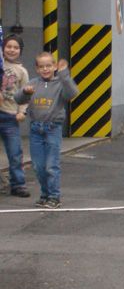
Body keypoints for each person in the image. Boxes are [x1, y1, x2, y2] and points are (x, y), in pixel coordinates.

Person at [14, 53, 79, 208]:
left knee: (51, 165)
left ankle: (54, 196)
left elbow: (72, 93)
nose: (45, 69)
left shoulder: (60, 84)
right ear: (37, 69)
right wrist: (25, 92)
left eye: (48, 66)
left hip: (52, 129)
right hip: (36, 129)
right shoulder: (33, 83)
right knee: (38, 166)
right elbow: (18, 98)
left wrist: (64, 74)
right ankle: (45, 194)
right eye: (41, 67)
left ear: (54, 66)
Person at [0, 34, 30, 197]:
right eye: (8, 46)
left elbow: (25, 94)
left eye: (16, 47)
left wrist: (22, 111)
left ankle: (18, 184)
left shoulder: (22, 71)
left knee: (15, 153)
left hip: (10, 117)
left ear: (20, 50)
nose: (11, 50)